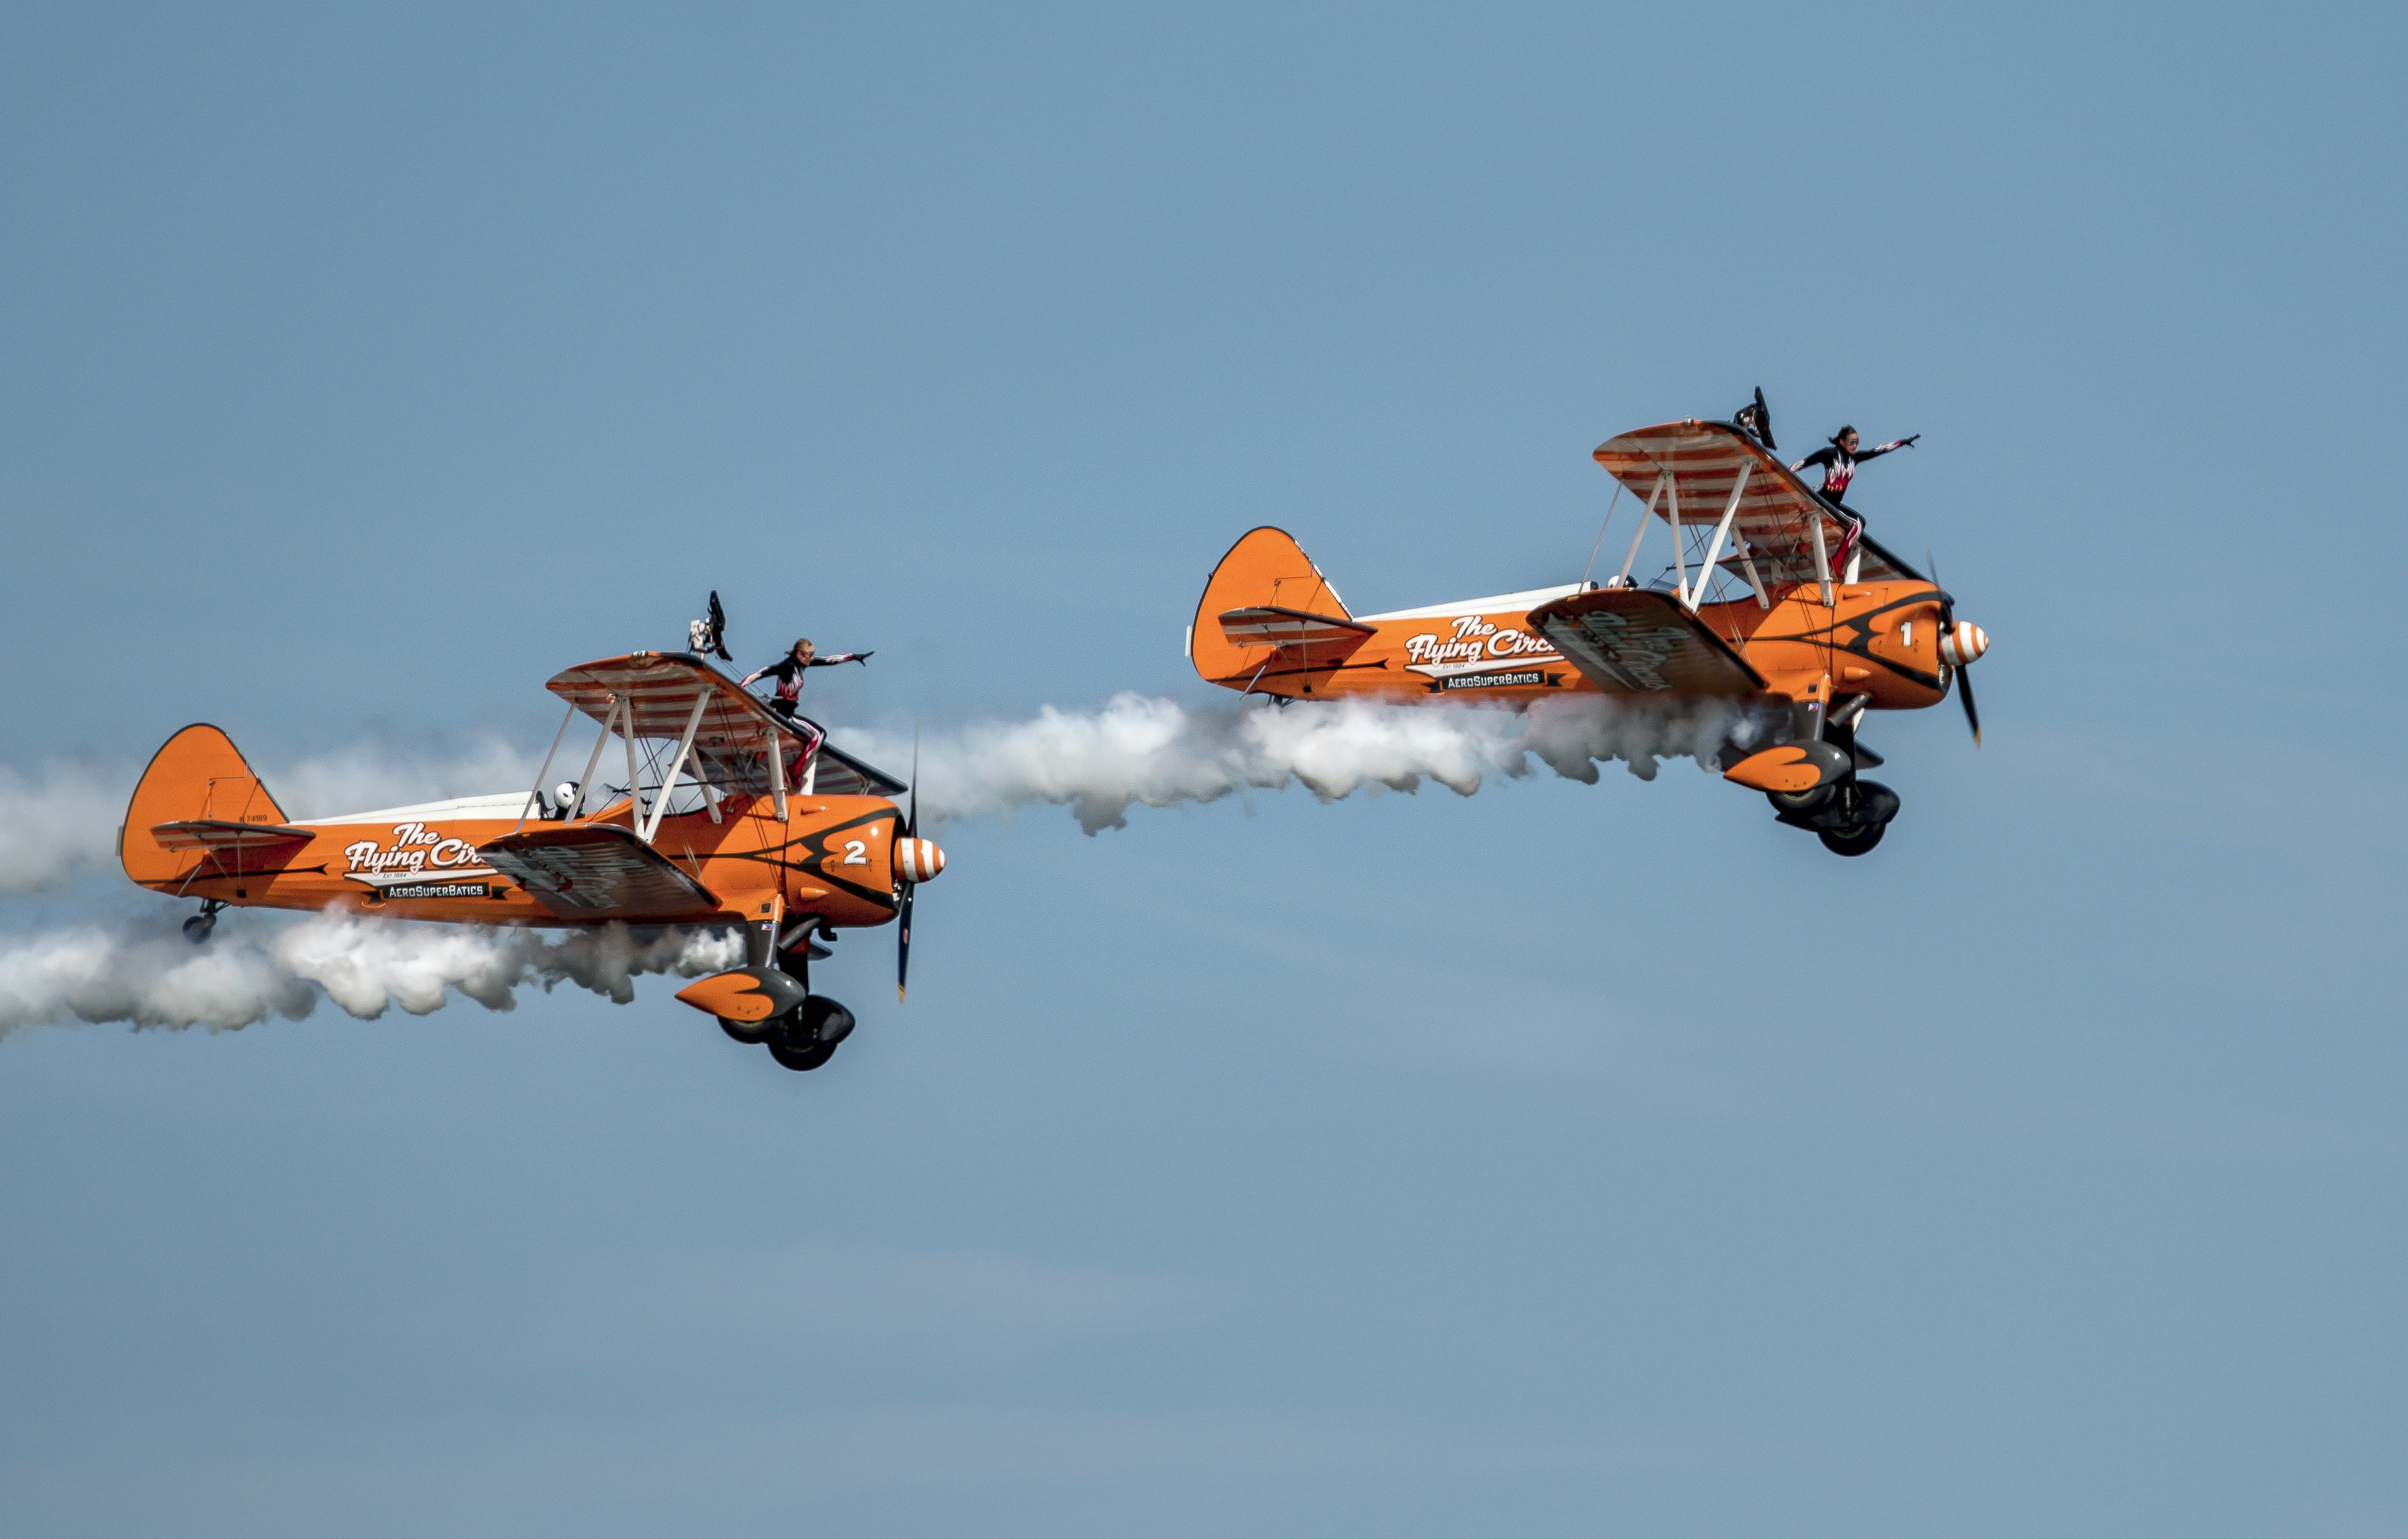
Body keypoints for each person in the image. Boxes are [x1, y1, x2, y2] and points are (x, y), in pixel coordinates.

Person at [1792, 426, 1918, 574]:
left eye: (1857, 442)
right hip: (1823, 501)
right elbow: (1803, 462)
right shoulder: (1830, 454)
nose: (1855, 446)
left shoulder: (1854, 459)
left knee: (1861, 522)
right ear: (1841, 442)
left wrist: (1901, 442)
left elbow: (1877, 451)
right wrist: (1785, 475)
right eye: (1851, 442)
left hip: (1834, 504)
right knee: (1856, 524)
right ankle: (1837, 560)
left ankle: (1837, 558)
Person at [742, 638, 873, 722]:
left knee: (816, 735)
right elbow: (763, 672)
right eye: (810, 655)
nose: (812, 658)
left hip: (790, 709)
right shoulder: (788, 666)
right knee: (816, 736)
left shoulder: (803, 663)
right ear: (799, 654)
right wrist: (741, 685)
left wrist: (853, 657)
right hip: (780, 708)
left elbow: (828, 661)